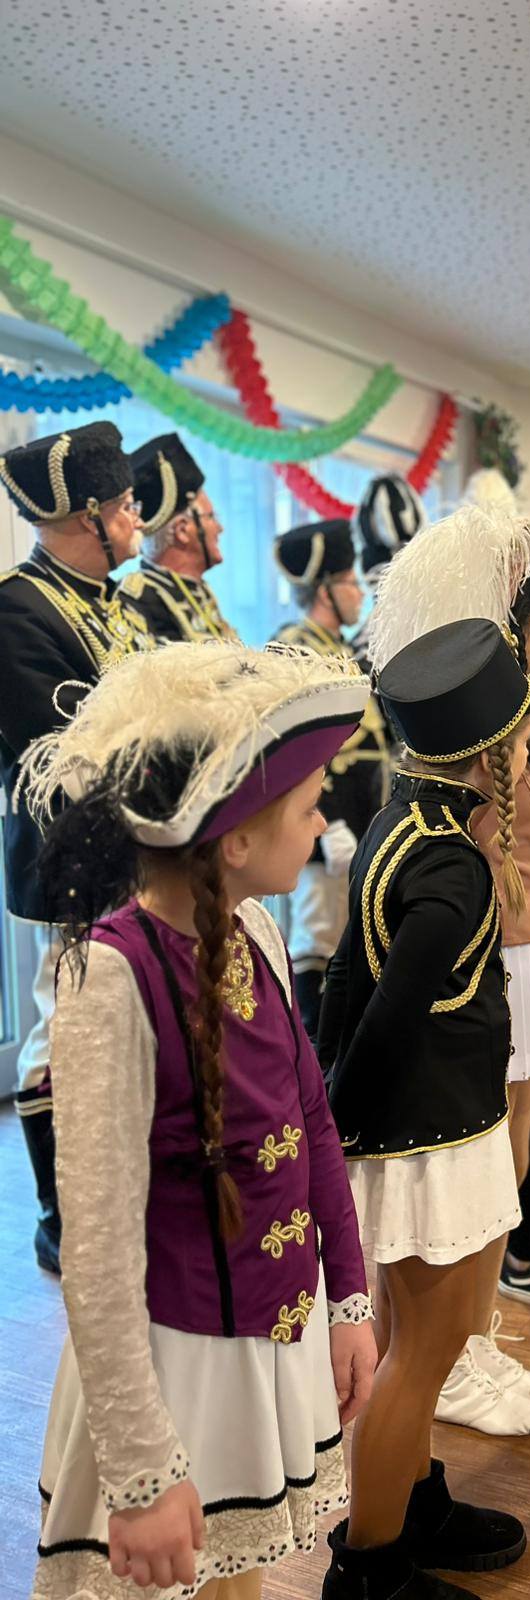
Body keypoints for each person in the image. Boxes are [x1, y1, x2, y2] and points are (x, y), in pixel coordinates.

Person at [20, 641, 376, 1599]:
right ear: (236, 842)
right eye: (308, 808)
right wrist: (141, 1474)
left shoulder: (254, 928)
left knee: (238, 1578)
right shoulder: (109, 979)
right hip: (169, 1365)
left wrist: (347, 1298)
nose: (323, 822)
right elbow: (96, 1255)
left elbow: (311, 1119)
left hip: (269, 1340)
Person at [362, 504, 530, 1440]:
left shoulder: (503, 703)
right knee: (486, 1161)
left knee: (507, 1161)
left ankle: (472, 1340)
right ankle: (449, 1354)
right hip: (507, 943)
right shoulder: (468, 729)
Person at [320, 617, 530, 1599]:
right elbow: (392, 1012)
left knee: (422, 1343)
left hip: (432, 1126)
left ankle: (416, 1502)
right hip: (429, 1139)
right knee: (422, 1356)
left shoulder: (398, 821)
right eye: (523, 734)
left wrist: (335, 1108)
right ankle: (370, 1566)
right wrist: (339, 1131)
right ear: (494, 753)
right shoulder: (451, 865)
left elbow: (344, 984)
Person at [0, 420, 154, 1273]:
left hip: (139, 849)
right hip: (67, 861)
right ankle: (62, 1214)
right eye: (124, 506)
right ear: (83, 517)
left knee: (127, 1030)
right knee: (62, 1032)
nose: (137, 519)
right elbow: (66, 746)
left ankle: (118, 1189)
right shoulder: (15, 609)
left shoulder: (116, 604)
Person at [273, 519, 391, 1034]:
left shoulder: (337, 647)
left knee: (344, 940)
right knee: (316, 940)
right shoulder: (296, 647)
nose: (358, 594)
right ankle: (311, 1055)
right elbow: (299, 751)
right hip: (321, 827)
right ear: (324, 591)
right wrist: (328, 820)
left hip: (356, 825)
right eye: (349, 582)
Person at [118, 433, 238, 641]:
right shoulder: (140, 599)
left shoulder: (199, 590)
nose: (220, 528)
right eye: (211, 517)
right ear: (182, 531)